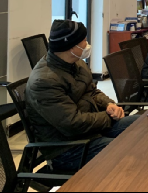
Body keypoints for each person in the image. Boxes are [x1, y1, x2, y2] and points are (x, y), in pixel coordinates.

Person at [25, 20, 140, 172]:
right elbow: (73, 124)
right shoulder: (44, 82)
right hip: (68, 149)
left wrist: (109, 105)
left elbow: (91, 91)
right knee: (129, 150)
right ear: (71, 47)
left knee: (142, 126)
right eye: (84, 41)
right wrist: (107, 117)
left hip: (91, 131)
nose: (87, 44)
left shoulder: (76, 63)